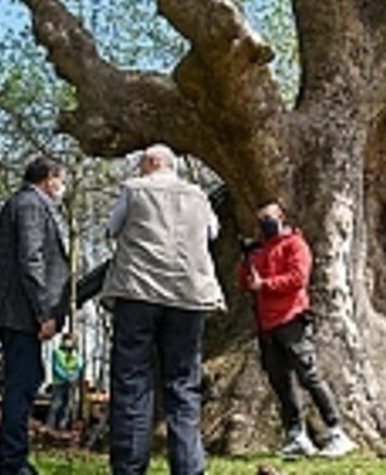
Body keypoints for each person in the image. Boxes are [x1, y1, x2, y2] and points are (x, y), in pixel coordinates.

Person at [102, 144, 225, 475]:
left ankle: (129, 466)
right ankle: (188, 467)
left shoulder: (134, 189)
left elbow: (112, 229)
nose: (139, 169)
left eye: (142, 163)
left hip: (138, 292)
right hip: (187, 296)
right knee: (184, 384)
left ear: (153, 163)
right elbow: (213, 232)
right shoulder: (198, 195)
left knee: (132, 381)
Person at [237, 199, 357, 458]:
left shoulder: (295, 244)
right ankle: (296, 434)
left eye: (269, 217)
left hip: (292, 318)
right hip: (265, 324)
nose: (265, 223)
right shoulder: (259, 249)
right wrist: (246, 260)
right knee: (280, 381)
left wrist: (265, 285)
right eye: (261, 219)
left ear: (282, 217)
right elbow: (245, 282)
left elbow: (298, 278)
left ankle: (336, 431)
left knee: (309, 375)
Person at [0, 156, 70, 475]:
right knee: (23, 383)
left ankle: (6, 458)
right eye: (61, 179)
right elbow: (31, 260)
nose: (63, 186)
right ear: (49, 177)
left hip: (17, 309)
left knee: (26, 380)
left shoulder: (25, 203)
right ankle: (11, 462)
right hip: (19, 311)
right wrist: (44, 312)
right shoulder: (31, 205)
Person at [46, 333, 82, 430]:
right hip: (59, 383)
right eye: (67, 340)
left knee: (67, 406)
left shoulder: (76, 355)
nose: (69, 343)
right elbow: (57, 368)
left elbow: (79, 367)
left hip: (71, 384)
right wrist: (67, 377)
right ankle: (50, 427)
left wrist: (74, 377)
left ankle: (62, 427)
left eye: (71, 340)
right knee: (56, 405)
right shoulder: (57, 352)